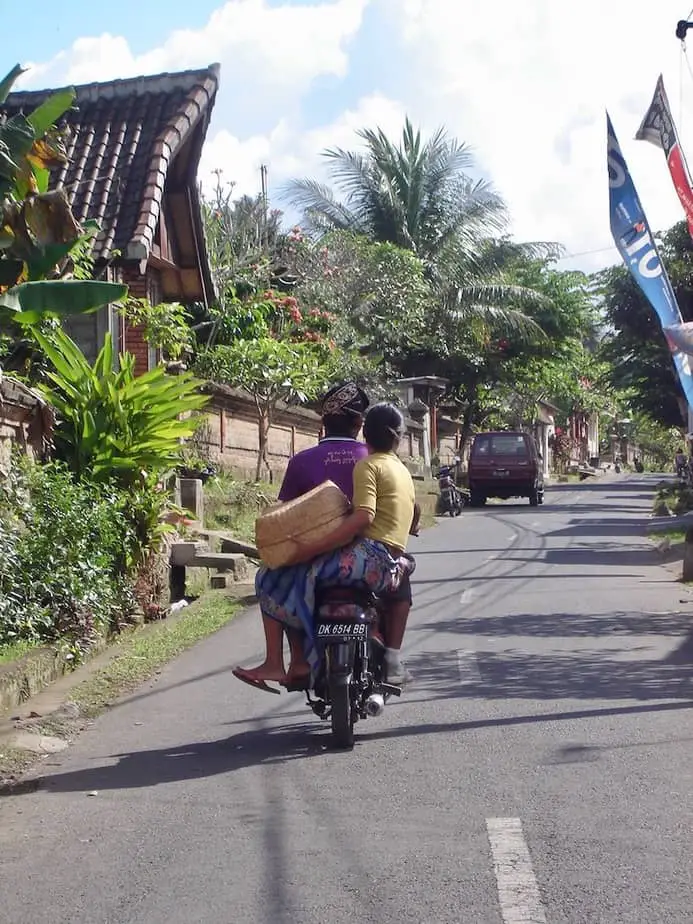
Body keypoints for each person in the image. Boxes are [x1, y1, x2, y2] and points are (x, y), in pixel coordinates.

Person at [233, 402, 417, 694]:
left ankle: (283, 661)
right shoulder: (401, 470)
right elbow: (411, 513)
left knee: (274, 577)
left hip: (365, 558)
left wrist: (308, 548)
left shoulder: (366, 465)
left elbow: (363, 516)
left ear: (364, 432)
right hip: (390, 566)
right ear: (398, 438)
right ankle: (391, 658)